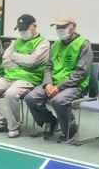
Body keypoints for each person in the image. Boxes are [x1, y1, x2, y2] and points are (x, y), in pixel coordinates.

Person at [24, 12, 92, 142]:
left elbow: (80, 73)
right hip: (53, 84)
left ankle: (70, 129)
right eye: (57, 27)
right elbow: (48, 67)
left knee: (59, 100)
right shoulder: (55, 45)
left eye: (63, 26)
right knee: (31, 98)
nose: (59, 30)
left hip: (75, 86)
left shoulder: (84, 45)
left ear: (74, 27)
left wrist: (59, 87)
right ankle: (50, 121)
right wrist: (48, 83)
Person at [0, 14, 50, 139]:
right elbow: (5, 59)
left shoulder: (43, 43)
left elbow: (33, 61)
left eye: (25, 29)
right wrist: (22, 59)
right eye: (20, 29)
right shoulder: (17, 41)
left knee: (10, 94)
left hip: (28, 78)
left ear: (34, 26)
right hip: (9, 76)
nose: (22, 32)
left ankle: (14, 127)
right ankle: (0, 121)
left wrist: (15, 56)